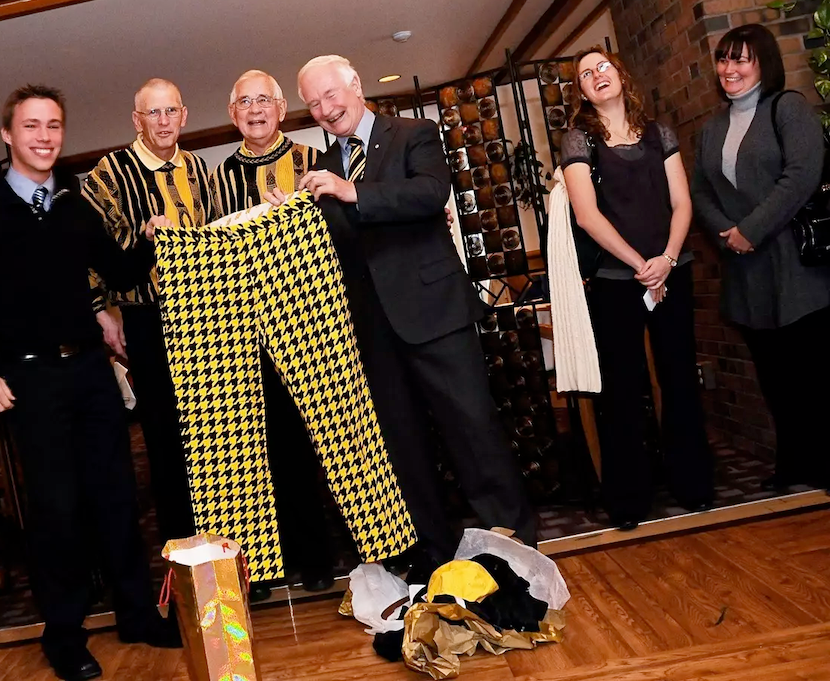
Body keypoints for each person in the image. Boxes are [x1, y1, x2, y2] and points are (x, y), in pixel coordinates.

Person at [0, 85, 179, 681]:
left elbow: (118, 271)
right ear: (8, 135)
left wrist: (149, 238)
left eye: (53, 126)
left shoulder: (74, 208)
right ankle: (64, 634)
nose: (44, 137)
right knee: (56, 511)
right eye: (31, 126)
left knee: (117, 498)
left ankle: (136, 615)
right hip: (28, 381)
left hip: (91, 375)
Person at [289, 54, 536, 575]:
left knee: (472, 427)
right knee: (402, 443)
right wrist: (293, 220)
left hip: (436, 312)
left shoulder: (413, 133)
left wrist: (353, 191)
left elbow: (429, 193)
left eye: (330, 95)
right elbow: (338, 244)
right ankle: (432, 553)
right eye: (313, 103)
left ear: (355, 85)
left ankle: (511, 544)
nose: (325, 109)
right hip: (372, 328)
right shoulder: (322, 169)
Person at [562, 47, 715, 529]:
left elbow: (682, 202)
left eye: (602, 66)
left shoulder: (660, 133)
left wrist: (666, 260)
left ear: (620, 74)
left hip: (673, 267)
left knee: (679, 378)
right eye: (586, 74)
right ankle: (629, 500)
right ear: (582, 91)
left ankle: (693, 485)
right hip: (616, 280)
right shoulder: (578, 139)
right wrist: (639, 266)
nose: (596, 76)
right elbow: (587, 216)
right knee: (623, 390)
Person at [210, 69, 334, 601]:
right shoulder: (216, 177)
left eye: (264, 100)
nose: (255, 109)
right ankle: (261, 568)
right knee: (259, 450)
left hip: (312, 325)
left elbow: (341, 233)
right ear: (233, 113)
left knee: (319, 444)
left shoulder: (315, 160)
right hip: (245, 333)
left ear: (283, 108)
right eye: (244, 102)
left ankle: (320, 558)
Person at [691, 24, 830, 491]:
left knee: (814, 375)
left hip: (797, 268)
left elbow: (802, 175)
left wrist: (751, 229)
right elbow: (701, 191)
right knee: (776, 381)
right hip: (747, 275)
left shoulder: (787, 108)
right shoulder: (712, 130)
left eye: (740, 60)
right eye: (723, 59)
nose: (729, 69)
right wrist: (728, 235)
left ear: (762, 64)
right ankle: (796, 464)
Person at [81, 78, 218, 547]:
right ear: (137, 120)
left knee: (216, 431)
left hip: (210, 317)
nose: (163, 122)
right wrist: (102, 312)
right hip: (148, 320)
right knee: (165, 437)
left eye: (170, 112)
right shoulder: (109, 173)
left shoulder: (200, 168)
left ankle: (226, 547)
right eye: (152, 113)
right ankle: (182, 550)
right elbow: (87, 251)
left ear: (184, 115)